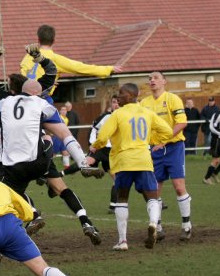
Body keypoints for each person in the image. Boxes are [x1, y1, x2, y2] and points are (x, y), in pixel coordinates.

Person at [0, 44, 102, 246]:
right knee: (60, 186)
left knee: (3, 190)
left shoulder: (5, 101)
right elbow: (52, 72)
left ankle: (33, 215)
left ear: (13, 89)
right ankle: (86, 219)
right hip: (40, 157)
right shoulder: (41, 102)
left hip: (15, 163)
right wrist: (39, 57)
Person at [90, 83, 173, 251]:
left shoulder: (117, 114)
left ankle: (123, 241)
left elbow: (103, 135)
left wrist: (96, 146)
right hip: (143, 159)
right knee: (152, 197)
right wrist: (152, 140)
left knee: (122, 199)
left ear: (130, 95)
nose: (118, 97)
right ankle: (153, 224)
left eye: (121, 94)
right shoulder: (148, 113)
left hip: (124, 161)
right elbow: (168, 131)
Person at [140, 71, 192, 241]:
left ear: (164, 81)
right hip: (154, 150)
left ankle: (186, 225)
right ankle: (158, 227)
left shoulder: (172, 99)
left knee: (178, 186)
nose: (152, 80)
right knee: (154, 189)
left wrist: (164, 140)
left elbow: (182, 122)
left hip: (173, 147)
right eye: (150, 78)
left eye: (155, 77)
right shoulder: (144, 103)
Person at [62, 94, 119, 213]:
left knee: (117, 179)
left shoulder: (125, 117)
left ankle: (113, 206)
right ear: (111, 104)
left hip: (113, 152)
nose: (116, 104)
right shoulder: (106, 117)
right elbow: (94, 128)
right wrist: (92, 143)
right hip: (101, 148)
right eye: (114, 102)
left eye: (118, 102)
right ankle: (60, 174)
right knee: (85, 163)